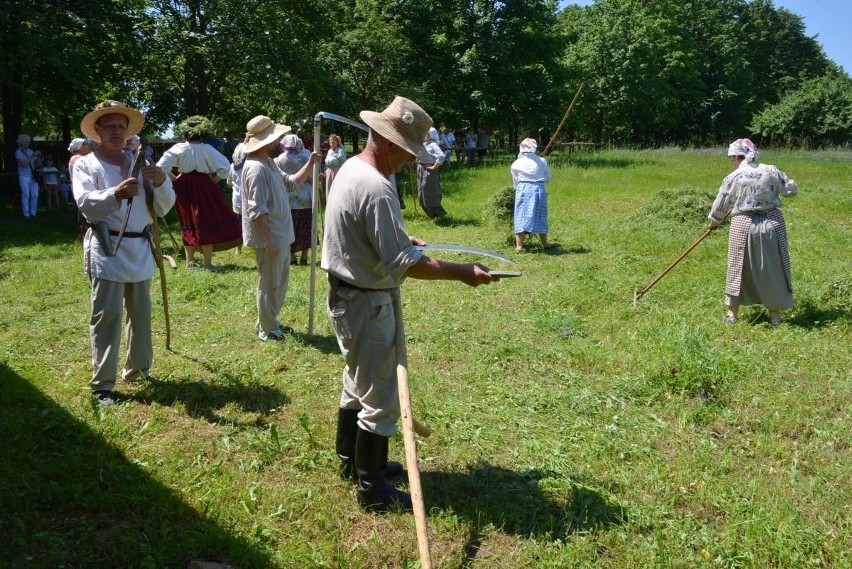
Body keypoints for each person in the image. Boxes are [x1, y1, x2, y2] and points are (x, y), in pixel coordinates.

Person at [321, 96, 497, 513]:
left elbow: (365, 233)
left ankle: (351, 460)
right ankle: (372, 488)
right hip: (365, 303)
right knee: (380, 399)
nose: (409, 161)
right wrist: (462, 272)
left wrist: (401, 240)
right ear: (390, 143)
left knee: (356, 383)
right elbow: (403, 265)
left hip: (347, 295)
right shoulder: (377, 186)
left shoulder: (351, 168)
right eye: (409, 152)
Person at [73, 100, 175, 406]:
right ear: (98, 131)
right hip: (108, 247)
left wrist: (161, 181)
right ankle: (104, 383)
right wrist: (114, 193)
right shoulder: (86, 164)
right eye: (110, 127)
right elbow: (85, 202)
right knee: (108, 315)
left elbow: (162, 206)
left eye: (121, 126)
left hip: (140, 248)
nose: (117, 131)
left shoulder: (140, 164)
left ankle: (139, 370)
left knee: (141, 314)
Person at [241, 115, 318, 342]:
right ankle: (268, 329)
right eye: (277, 139)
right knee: (269, 284)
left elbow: (292, 184)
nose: (280, 143)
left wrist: (311, 162)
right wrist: (268, 239)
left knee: (278, 283)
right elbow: (257, 209)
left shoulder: (269, 163)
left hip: (281, 235)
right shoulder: (256, 169)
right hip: (271, 237)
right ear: (267, 142)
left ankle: (267, 320)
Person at [708, 138, 798, 325]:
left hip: (742, 223)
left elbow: (722, 201)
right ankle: (774, 316)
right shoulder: (771, 170)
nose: (731, 162)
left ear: (736, 157)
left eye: (731, 158)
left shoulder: (734, 177)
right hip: (772, 223)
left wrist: (715, 221)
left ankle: (732, 314)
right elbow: (790, 190)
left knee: (738, 266)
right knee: (772, 267)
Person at [157, 116, 242, 271]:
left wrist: (175, 178)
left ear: (185, 132)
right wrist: (215, 179)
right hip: (204, 184)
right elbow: (226, 167)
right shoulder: (207, 149)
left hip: (184, 185)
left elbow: (161, 167)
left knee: (187, 220)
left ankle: (190, 263)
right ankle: (208, 264)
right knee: (205, 220)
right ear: (202, 133)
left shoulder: (178, 148)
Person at [275, 134, 314, 266]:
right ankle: (304, 256)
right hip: (304, 195)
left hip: (288, 196)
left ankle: (291, 256)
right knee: (305, 225)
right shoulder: (305, 157)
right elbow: (310, 177)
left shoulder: (279, 159)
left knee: (290, 226)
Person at [511, 138, 553, 251]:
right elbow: (548, 178)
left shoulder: (516, 163)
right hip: (538, 189)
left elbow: (515, 182)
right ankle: (544, 244)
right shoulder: (542, 161)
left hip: (522, 189)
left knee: (521, 216)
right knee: (540, 215)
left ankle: (519, 246)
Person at [417, 127, 447, 219]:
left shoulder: (433, 145)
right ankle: (431, 215)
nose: (424, 135)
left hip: (429, 170)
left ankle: (439, 213)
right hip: (421, 169)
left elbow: (441, 156)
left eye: (426, 134)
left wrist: (433, 167)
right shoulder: (425, 144)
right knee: (422, 192)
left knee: (430, 191)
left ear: (431, 136)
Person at [15, 134, 40, 219]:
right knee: (26, 195)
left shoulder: (30, 151)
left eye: (28, 142)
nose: (28, 143)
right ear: (21, 143)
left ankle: (33, 212)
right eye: (26, 142)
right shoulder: (18, 152)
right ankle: (26, 214)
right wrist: (32, 155)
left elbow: (38, 164)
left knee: (35, 194)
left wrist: (39, 157)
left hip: (33, 176)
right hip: (24, 176)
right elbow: (23, 164)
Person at [324, 133, 347, 197]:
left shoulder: (340, 151)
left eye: (334, 140)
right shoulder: (329, 151)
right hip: (329, 172)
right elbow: (327, 163)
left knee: (336, 190)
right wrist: (326, 171)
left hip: (337, 172)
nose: (332, 141)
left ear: (337, 142)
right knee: (329, 190)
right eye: (330, 140)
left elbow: (344, 163)